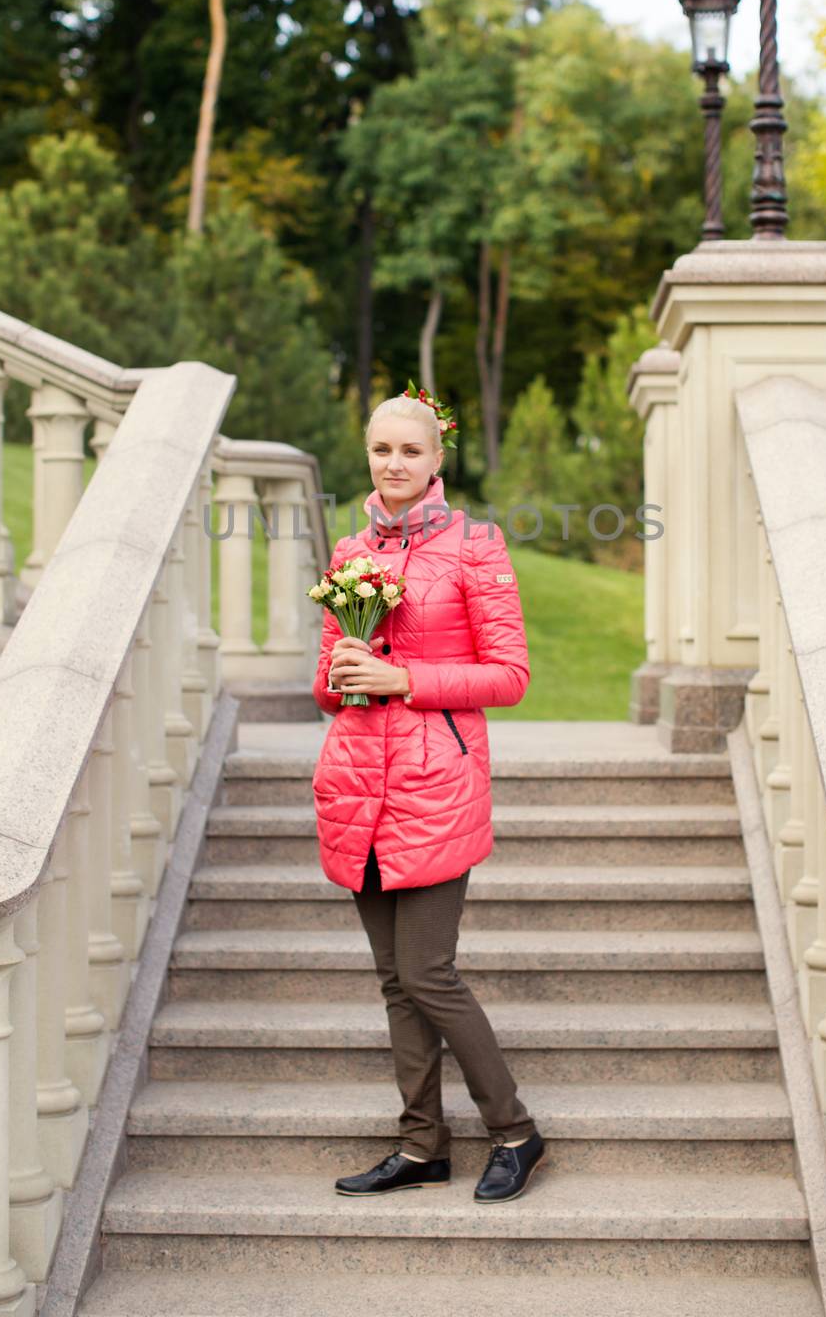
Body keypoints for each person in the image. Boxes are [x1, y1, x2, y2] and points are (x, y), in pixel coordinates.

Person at [310, 387, 546, 1204]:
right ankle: (422, 1146)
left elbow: (509, 676)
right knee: (393, 979)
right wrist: (347, 664)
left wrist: (402, 676)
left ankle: (514, 1130)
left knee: (428, 972)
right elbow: (325, 685)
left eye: (410, 451)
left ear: (437, 459)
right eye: (381, 450)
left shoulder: (475, 546)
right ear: (367, 455)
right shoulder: (348, 552)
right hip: (357, 787)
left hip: (434, 781)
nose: (394, 463)